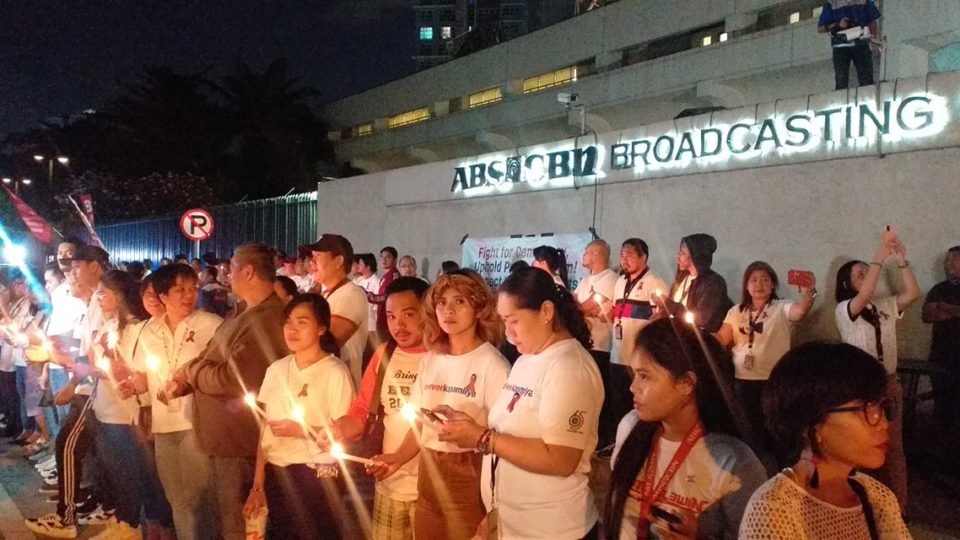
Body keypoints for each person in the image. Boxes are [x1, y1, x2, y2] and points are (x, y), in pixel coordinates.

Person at [436, 267, 604, 538]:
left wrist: (483, 438)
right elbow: (510, 431)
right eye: (504, 322)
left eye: (513, 321)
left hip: (552, 529)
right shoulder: (527, 359)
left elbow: (561, 459)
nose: (508, 333)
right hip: (514, 524)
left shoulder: (569, 368)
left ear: (546, 312)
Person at [159, 243, 289, 540]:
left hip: (238, 443)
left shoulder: (268, 318)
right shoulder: (242, 310)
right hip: (218, 441)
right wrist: (183, 383)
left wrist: (191, 373)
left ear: (248, 272)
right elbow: (209, 355)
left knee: (235, 523)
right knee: (215, 518)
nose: (226, 274)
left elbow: (233, 379)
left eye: (231, 268)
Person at [368, 269, 508, 540]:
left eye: (459, 301)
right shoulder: (432, 359)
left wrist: (494, 508)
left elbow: (502, 444)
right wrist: (397, 458)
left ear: (479, 307)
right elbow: (422, 424)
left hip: (470, 475)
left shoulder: (493, 366)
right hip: (429, 475)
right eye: (442, 302)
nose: (448, 310)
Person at [606, 319, 766, 540]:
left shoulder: (733, 462)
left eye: (644, 376)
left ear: (687, 383)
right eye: (634, 375)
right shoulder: (630, 427)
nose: (633, 388)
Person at [740, 342, 911, 539]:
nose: (883, 424)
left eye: (881, 407)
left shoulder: (877, 497)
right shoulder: (774, 510)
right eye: (866, 409)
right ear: (811, 423)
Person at [324, 277, 430, 540]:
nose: (398, 325)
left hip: (431, 491)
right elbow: (362, 408)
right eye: (391, 316)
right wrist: (339, 430)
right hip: (390, 485)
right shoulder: (385, 354)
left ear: (427, 312)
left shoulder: (441, 357)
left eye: (408, 315)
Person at [243, 294, 355, 539]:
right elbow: (265, 429)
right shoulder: (276, 369)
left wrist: (302, 430)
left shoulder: (335, 372)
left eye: (302, 322)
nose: (292, 329)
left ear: (321, 328)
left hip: (317, 475)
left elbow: (345, 432)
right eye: (288, 322)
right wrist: (258, 483)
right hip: (277, 470)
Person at [132, 264, 223, 540]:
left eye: (193, 288)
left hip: (196, 423)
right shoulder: (149, 331)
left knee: (200, 498)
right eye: (180, 290)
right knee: (176, 498)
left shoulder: (211, 325)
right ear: (163, 296)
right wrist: (132, 386)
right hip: (163, 425)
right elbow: (143, 378)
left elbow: (222, 372)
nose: (189, 295)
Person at [834, 227, 919, 511]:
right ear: (846, 283)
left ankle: (899, 509)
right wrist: (880, 255)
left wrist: (901, 259)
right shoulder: (845, 309)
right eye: (860, 274)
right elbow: (866, 292)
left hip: (888, 383)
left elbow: (913, 293)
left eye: (867, 272)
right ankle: (862, 509)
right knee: (860, 447)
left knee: (893, 448)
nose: (868, 276)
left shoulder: (884, 306)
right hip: (859, 388)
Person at [716, 261, 816, 460]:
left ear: (772, 285)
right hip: (744, 382)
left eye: (765, 279)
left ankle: (783, 470)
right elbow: (720, 339)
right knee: (750, 432)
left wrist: (810, 293)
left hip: (773, 381)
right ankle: (754, 468)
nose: (759, 284)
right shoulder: (736, 311)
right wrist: (693, 330)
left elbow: (800, 311)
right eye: (753, 280)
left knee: (778, 432)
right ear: (746, 286)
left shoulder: (781, 307)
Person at [609, 239, 668, 443]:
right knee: (617, 402)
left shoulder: (654, 283)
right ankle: (618, 442)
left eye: (630, 255)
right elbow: (616, 313)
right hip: (617, 354)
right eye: (622, 255)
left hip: (639, 358)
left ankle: (638, 444)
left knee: (637, 405)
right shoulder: (620, 282)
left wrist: (660, 316)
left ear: (644, 258)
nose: (624, 260)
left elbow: (662, 317)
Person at [573, 239, 619, 449]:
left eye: (586, 252)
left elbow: (584, 306)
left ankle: (604, 437)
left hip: (601, 345)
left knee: (599, 391)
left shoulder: (610, 279)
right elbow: (574, 304)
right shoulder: (585, 281)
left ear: (597, 255)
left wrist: (583, 308)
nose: (583, 256)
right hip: (584, 343)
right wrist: (582, 308)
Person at [305, 234, 369, 388]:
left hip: (339, 388)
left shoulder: (351, 294)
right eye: (312, 256)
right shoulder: (328, 294)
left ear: (338, 261)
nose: (311, 261)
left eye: (318, 255)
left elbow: (327, 344)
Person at [922, 245, 960, 429]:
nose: (948, 263)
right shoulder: (939, 289)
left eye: (954, 258)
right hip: (942, 356)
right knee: (943, 404)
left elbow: (939, 310)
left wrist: (945, 307)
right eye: (947, 259)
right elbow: (928, 315)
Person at [668, 233, 733, 333]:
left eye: (683, 253)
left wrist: (669, 305)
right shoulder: (681, 279)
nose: (678, 257)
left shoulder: (714, 283)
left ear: (695, 256)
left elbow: (702, 318)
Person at [817, 0, 882, 90]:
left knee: (866, 79)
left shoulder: (864, 1)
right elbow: (820, 28)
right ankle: (841, 98)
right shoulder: (832, 3)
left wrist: (874, 40)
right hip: (841, 45)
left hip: (861, 43)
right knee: (841, 80)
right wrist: (837, 24)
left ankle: (868, 97)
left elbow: (872, 21)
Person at [369, 246, 401, 340]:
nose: (384, 260)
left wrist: (367, 295)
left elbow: (388, 297)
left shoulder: (394, 276)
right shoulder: (385, 276)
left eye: (388, 257)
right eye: (382, 257)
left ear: (395, 260)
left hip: (388, 320)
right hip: (381, 317)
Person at [354, 253, 383, 355]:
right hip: (359, 322)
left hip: (371, 323)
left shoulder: (376, 281)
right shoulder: (360, 281)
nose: (358, 266)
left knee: (369, 352)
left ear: (368, 266)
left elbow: (377, 303)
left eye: (360, 264)